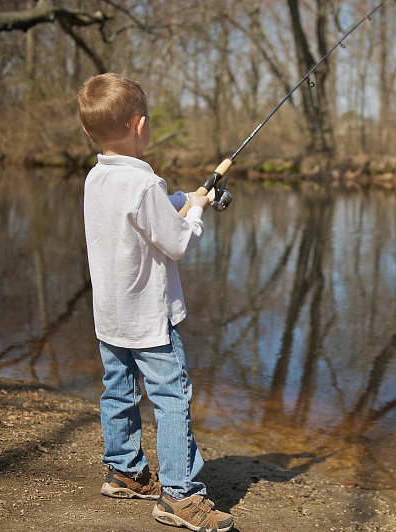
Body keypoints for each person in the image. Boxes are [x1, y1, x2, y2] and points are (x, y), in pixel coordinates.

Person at [77, 72, 233, 532]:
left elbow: (144, 216)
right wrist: (198, 210)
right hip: (149, 320)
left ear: (90, 132)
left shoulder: (96, 178)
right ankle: (180, 496)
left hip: (110, 316)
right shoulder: (145, 186)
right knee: (171, 397)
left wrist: (184, 196)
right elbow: (179, 240)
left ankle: (125, 470)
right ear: (141, 125)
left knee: (118, 388)